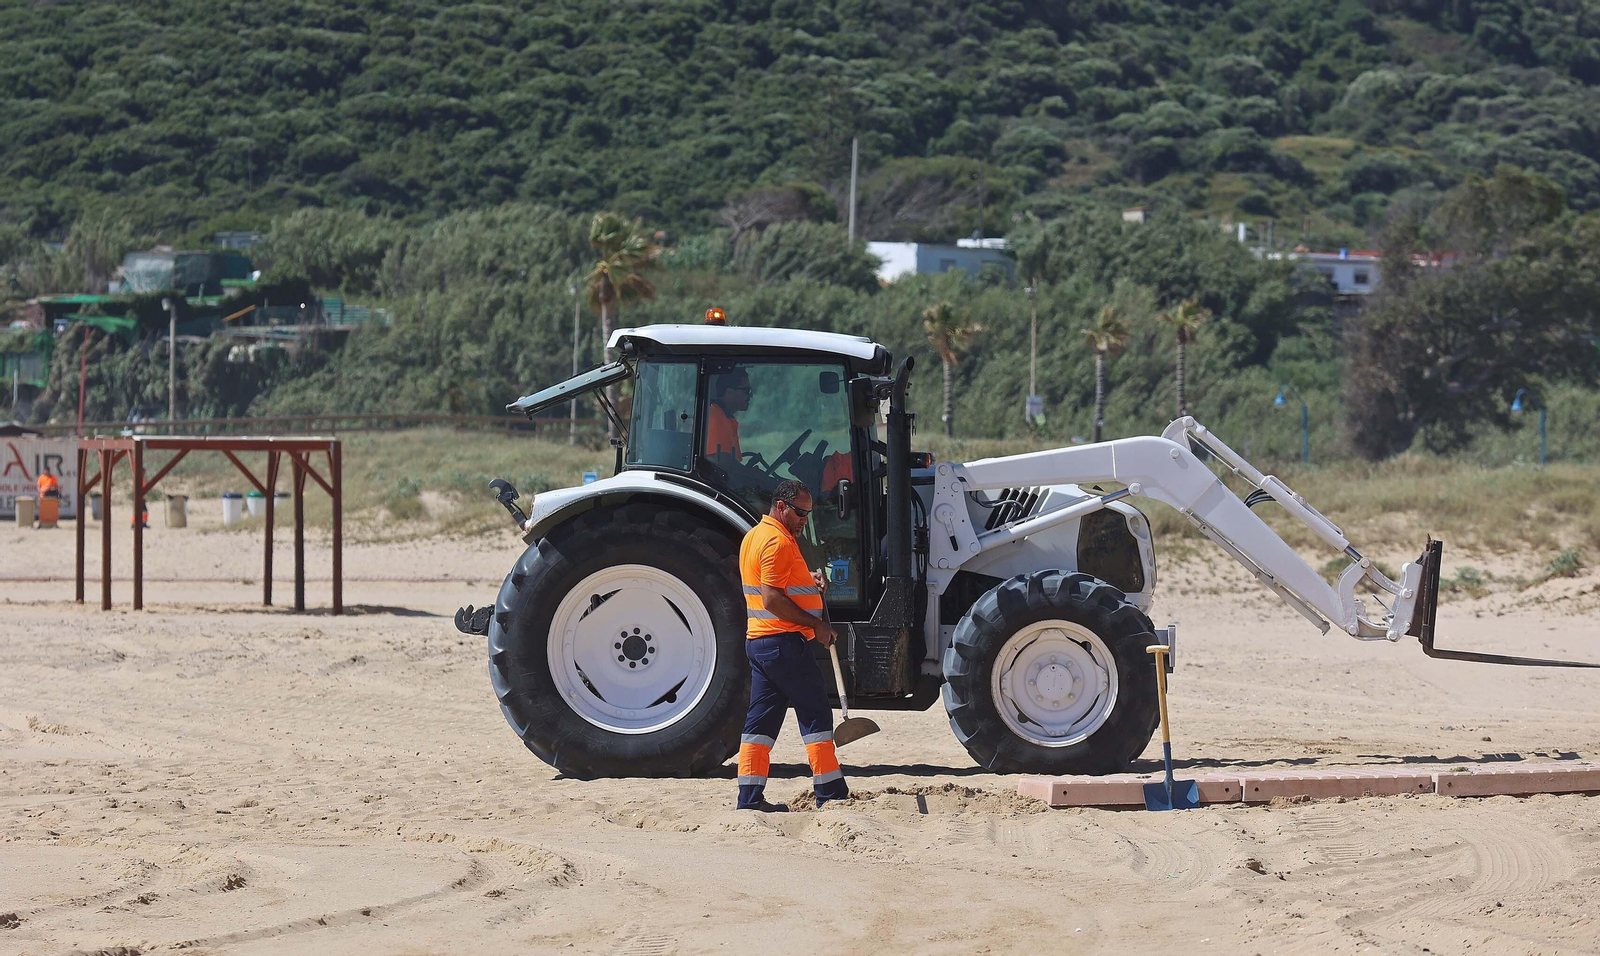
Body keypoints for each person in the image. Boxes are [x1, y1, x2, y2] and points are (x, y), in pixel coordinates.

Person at [736, 479, 849, 812]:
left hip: (759, 642)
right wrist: (817, 625)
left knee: (760, 726)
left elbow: (776, 585)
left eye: (809, 514)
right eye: (800, 513)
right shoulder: (777, 542)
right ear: (781, 506)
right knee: (815, 716)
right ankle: (830, 794)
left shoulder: (755, 536)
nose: (805, 520)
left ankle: (750, 799)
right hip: (783, 642)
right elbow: (771, 598)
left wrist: (810, 584)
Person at [705, 367, 751, 463]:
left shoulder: (728, 418)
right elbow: (723, 465)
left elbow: (732, 466)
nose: (751, 395)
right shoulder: (715, 417)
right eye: (747, 391)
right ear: (729, 392)